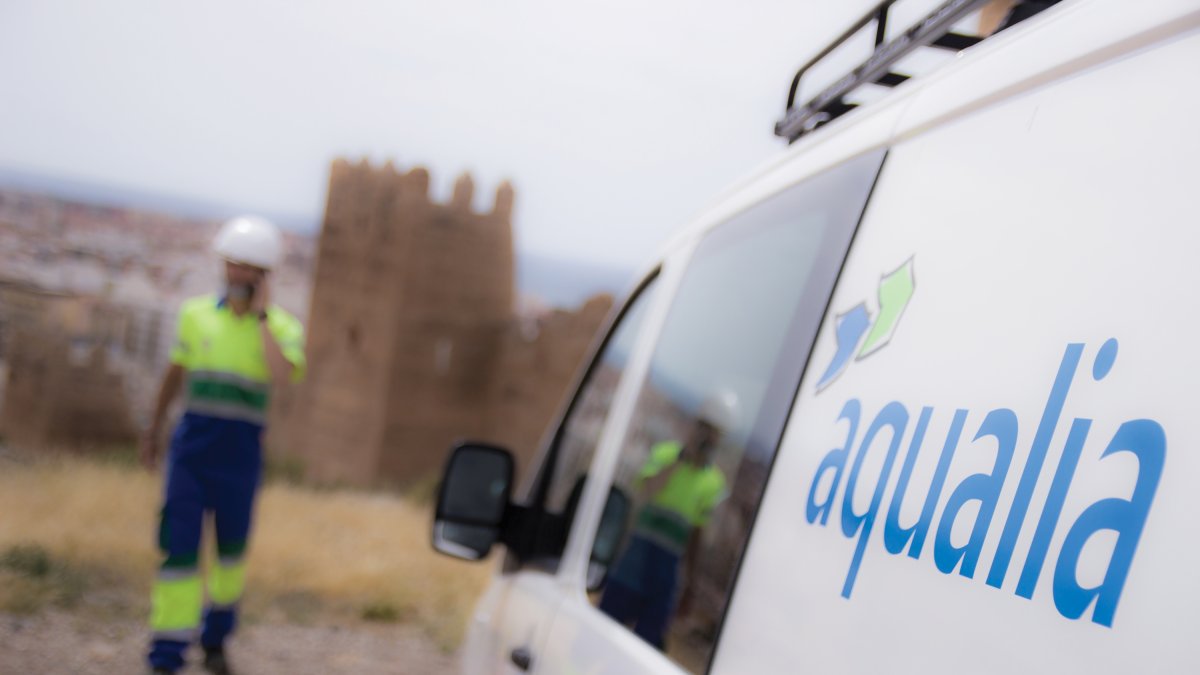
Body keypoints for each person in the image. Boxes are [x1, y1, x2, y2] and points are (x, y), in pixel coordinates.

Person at [139, 216, 306, 675]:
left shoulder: (283, 327)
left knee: (230, 558)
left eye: (251, 268)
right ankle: (167, 654)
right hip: (192, 452)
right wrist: (152, 431)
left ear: (266, 276)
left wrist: (262, 318)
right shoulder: (195, 315)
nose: (240, 275)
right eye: (234, 265)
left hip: (240, 458)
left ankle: (215, 642)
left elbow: (281, 374)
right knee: (179, 552)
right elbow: (174, 376)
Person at [598, 390, 737, 651]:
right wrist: (682, 460)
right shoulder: (665, 454)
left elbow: (697, 536)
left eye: (714, 432)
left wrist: (690, 587)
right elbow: (648, 490)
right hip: (632, 566)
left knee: (643, 651)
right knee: (599, 638)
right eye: (704, 428)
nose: (707, 437)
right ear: (695, 426)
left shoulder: (713, 483)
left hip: (664, 579)